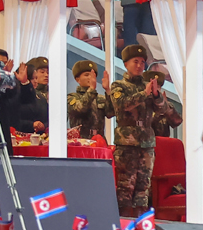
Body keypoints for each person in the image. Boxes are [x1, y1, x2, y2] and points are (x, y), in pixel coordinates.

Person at [107, 47, 181, 217]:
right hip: (127, 143)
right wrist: (144, 93)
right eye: (135, 62)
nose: (140, 65)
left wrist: (156, 95)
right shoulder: (119, 85)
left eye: (142, 62)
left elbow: (163, 109)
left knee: (143, 188)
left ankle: (142, 223)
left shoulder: (147, 85)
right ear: (125, 64)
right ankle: (125, 224)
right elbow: (122, 105)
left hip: (146, 142)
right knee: (126, 187)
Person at [66, 61, 111, 138]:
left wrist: (108, 90)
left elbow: (111, 113)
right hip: (80, 140)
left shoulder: (100, 98)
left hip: (99, 139)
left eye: (93, 75)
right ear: (78, 79)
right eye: (86, 75)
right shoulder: (72, 97)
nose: (90, 78)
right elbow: (81, 109)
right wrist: (91, 89)